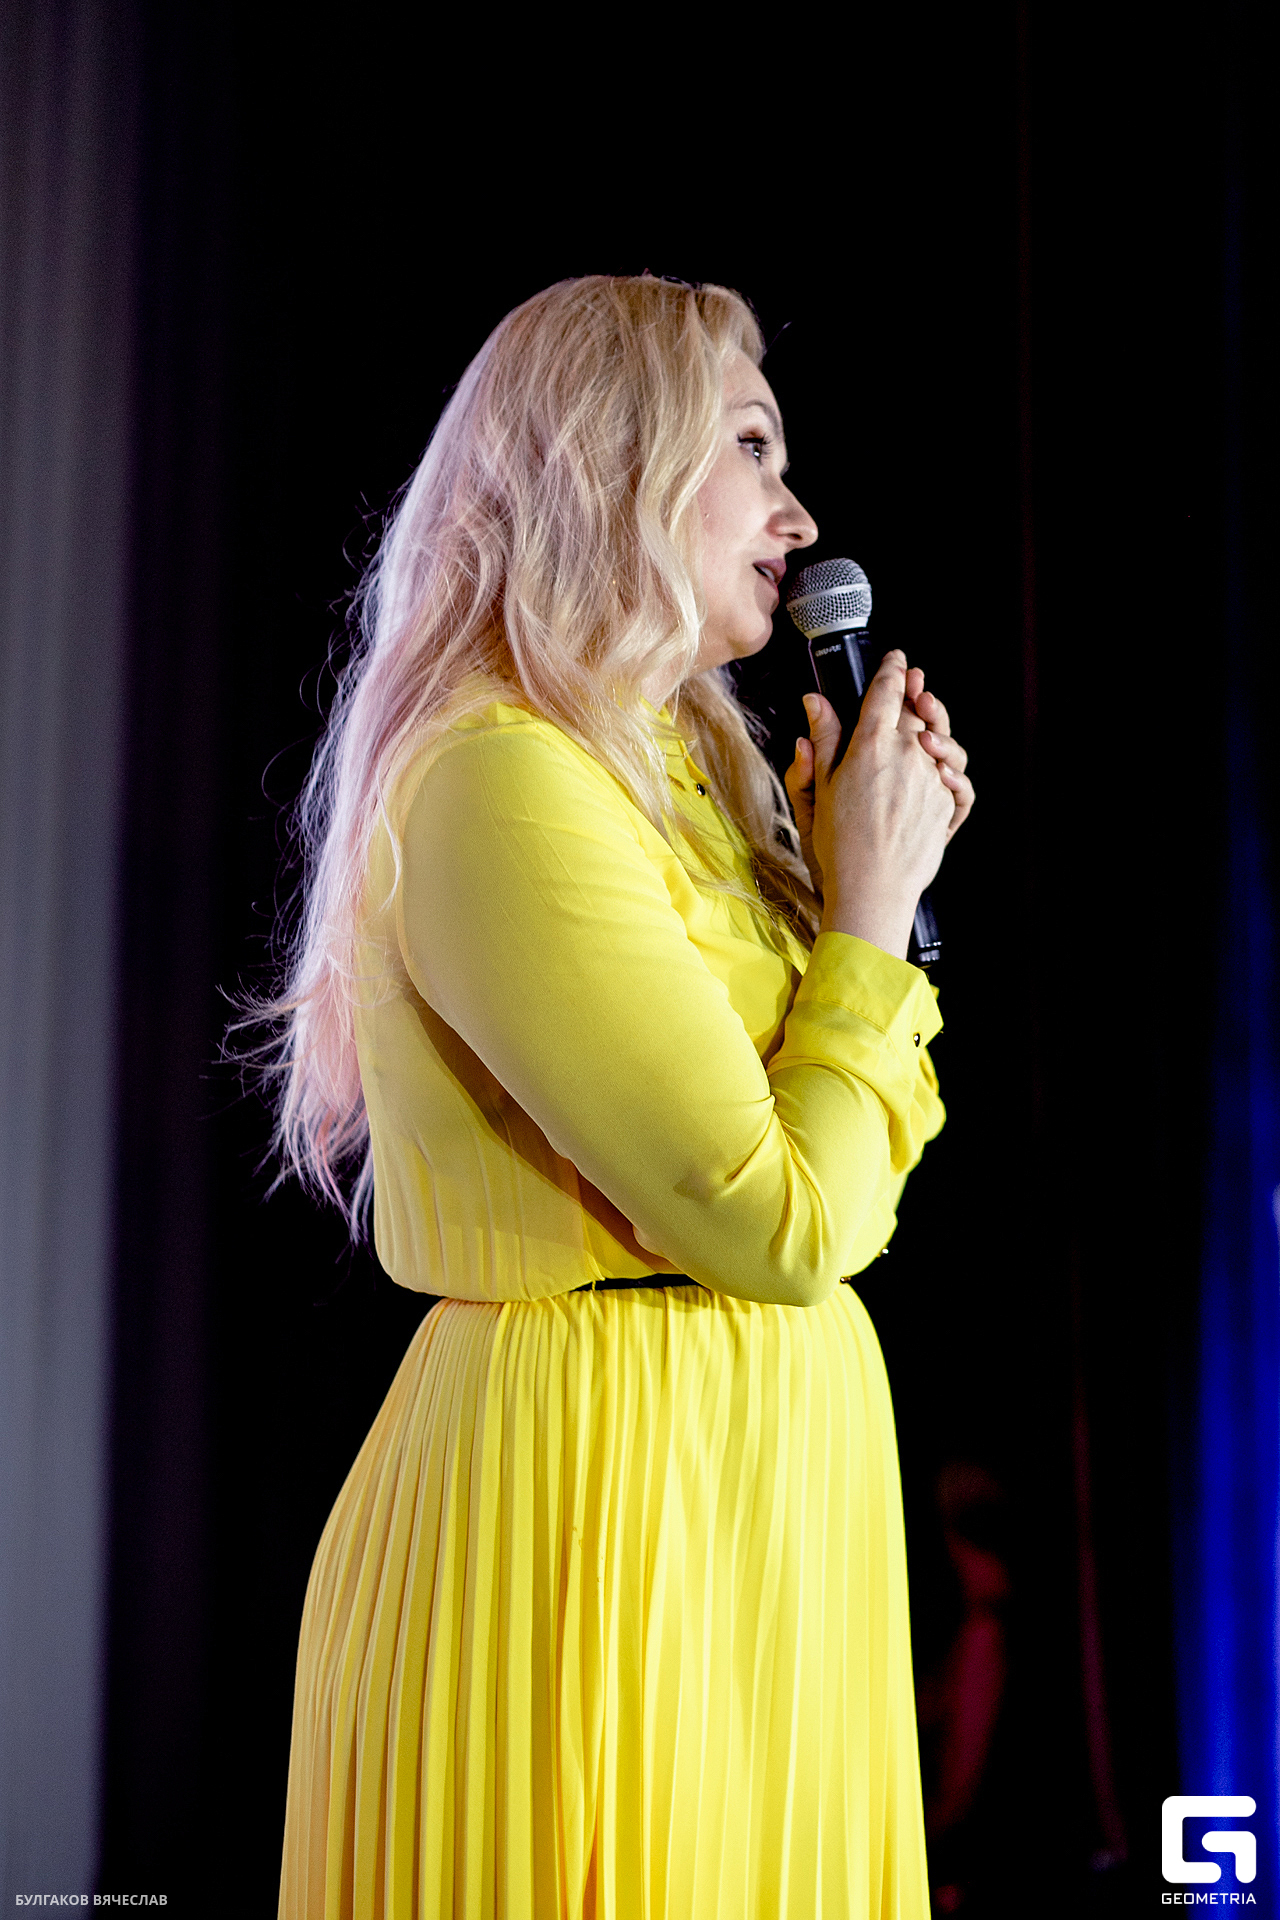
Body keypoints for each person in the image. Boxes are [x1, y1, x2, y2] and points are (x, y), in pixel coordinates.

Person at [267, 274, 974, 1918]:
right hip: (597, 1507)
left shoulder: (687, 780)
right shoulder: (501, 776)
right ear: (614, 457)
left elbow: (840, 1174)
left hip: (759, 1497)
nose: (800, 517)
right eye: (753, 447)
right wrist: (867, 918)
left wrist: (851, 879)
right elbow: (787, 1220)